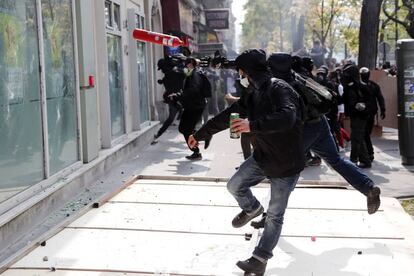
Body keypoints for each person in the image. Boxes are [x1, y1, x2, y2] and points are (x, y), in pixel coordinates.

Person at [188, 49, 305, 275]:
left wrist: (253, 125)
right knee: (234, 185)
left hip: (286, 164)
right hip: (263, 157)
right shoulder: (253, 93)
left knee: (274, 216)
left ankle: (259, 259)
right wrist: (200, 134)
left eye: (240, 72)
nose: (239, 76)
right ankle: (252, 208)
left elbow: (288, 116)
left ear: (246, 72)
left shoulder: (279, 88)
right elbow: (227, 116)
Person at [267, 52, 381, 215]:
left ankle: (272, 213)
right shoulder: (301, 76)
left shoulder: (284, 83)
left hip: (305, 128)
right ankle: (368, 187)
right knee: (336, 160)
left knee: (289, 165)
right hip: (320, 123)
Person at [174, 57, 211, 160]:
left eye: (186, 63)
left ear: (190, 63)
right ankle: (203, 137)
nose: (184, 66)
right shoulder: (193, 73)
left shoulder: (195, 74)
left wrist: (178, 95)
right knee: (184, 128)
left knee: (185, 129)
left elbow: (193, 90)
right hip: (192, 105)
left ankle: (197, 150)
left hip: (195, 106)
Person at [342, 63, 372, 168]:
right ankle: (365, 160)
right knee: (358, 138)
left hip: (361, 116)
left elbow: (370, 102)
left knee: (356, 138)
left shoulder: (362, 87)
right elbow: (344, 99)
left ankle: (353, 160)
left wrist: (362, 106)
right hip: (355, 115)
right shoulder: (349, 87)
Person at [151, 56, 184, 144]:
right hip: (173, 99)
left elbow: (183, 80)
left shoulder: (176, 72)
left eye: (162, 68)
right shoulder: (169, 75)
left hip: (180, 98)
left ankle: (196, 134)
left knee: (182, 118)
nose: (162, 71)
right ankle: (158, 134)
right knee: (171, 118)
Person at [360, 67, 386, 161]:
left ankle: (368, 152)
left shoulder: (373, 85)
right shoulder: (360, 85)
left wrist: (383, 109)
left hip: (370, 112)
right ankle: (369, 153)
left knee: (367, 133)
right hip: (363, 113)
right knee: (365, 133)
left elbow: (380, 97)